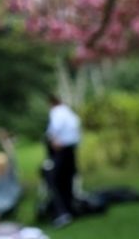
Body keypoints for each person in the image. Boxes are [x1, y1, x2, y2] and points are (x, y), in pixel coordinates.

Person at [45, 94, 81, 228]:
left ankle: (61, 213)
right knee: (69, 179)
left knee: (56, 180)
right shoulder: (69, 112)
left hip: (61, 150)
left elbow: (55, 127)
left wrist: (53, 139)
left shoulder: (56, 112)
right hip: (71, 149)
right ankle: (69, 207)